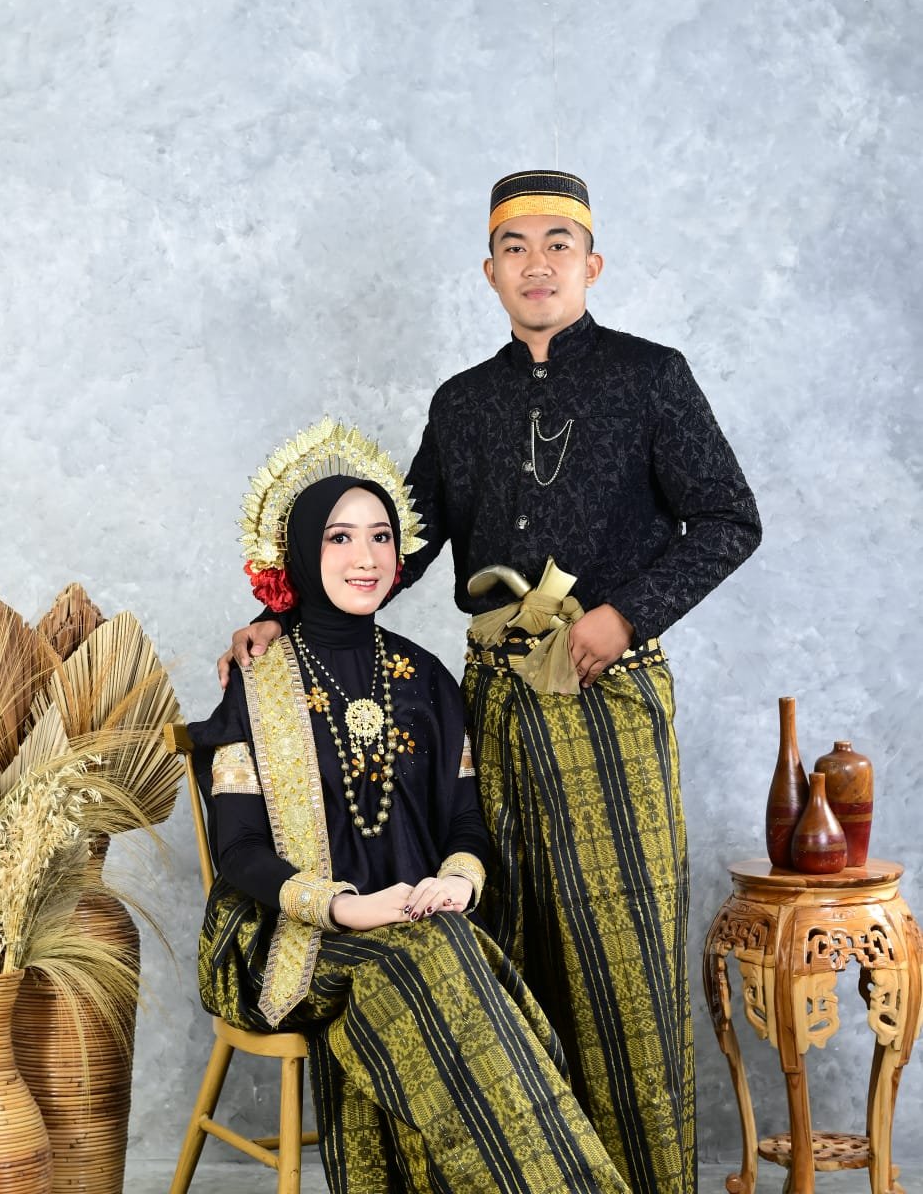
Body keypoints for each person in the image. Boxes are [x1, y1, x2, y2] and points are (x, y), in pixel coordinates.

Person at [220, 172, 762, 1194]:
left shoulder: (652, 377)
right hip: (495, 701)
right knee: (511, 933)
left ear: (592, 265)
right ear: (488, 271)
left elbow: (731, 519)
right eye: (515, 247)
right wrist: (279, 617)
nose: (537, 263)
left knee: (620, 949)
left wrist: (622, 615)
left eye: (558, 244)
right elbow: (396, 548)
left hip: (606, 697)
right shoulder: (462, 403)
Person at [191, 418, 630, 1194]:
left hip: (418, 922)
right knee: (430, 960)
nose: (365, 557)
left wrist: (458, 880)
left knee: (444, 948)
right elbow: (239, 853)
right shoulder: (257, 682)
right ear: (299, 549)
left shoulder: (426, 678)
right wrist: (348, 908)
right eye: (339, 537)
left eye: (382, 537)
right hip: (290, 935)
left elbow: (465, 820)